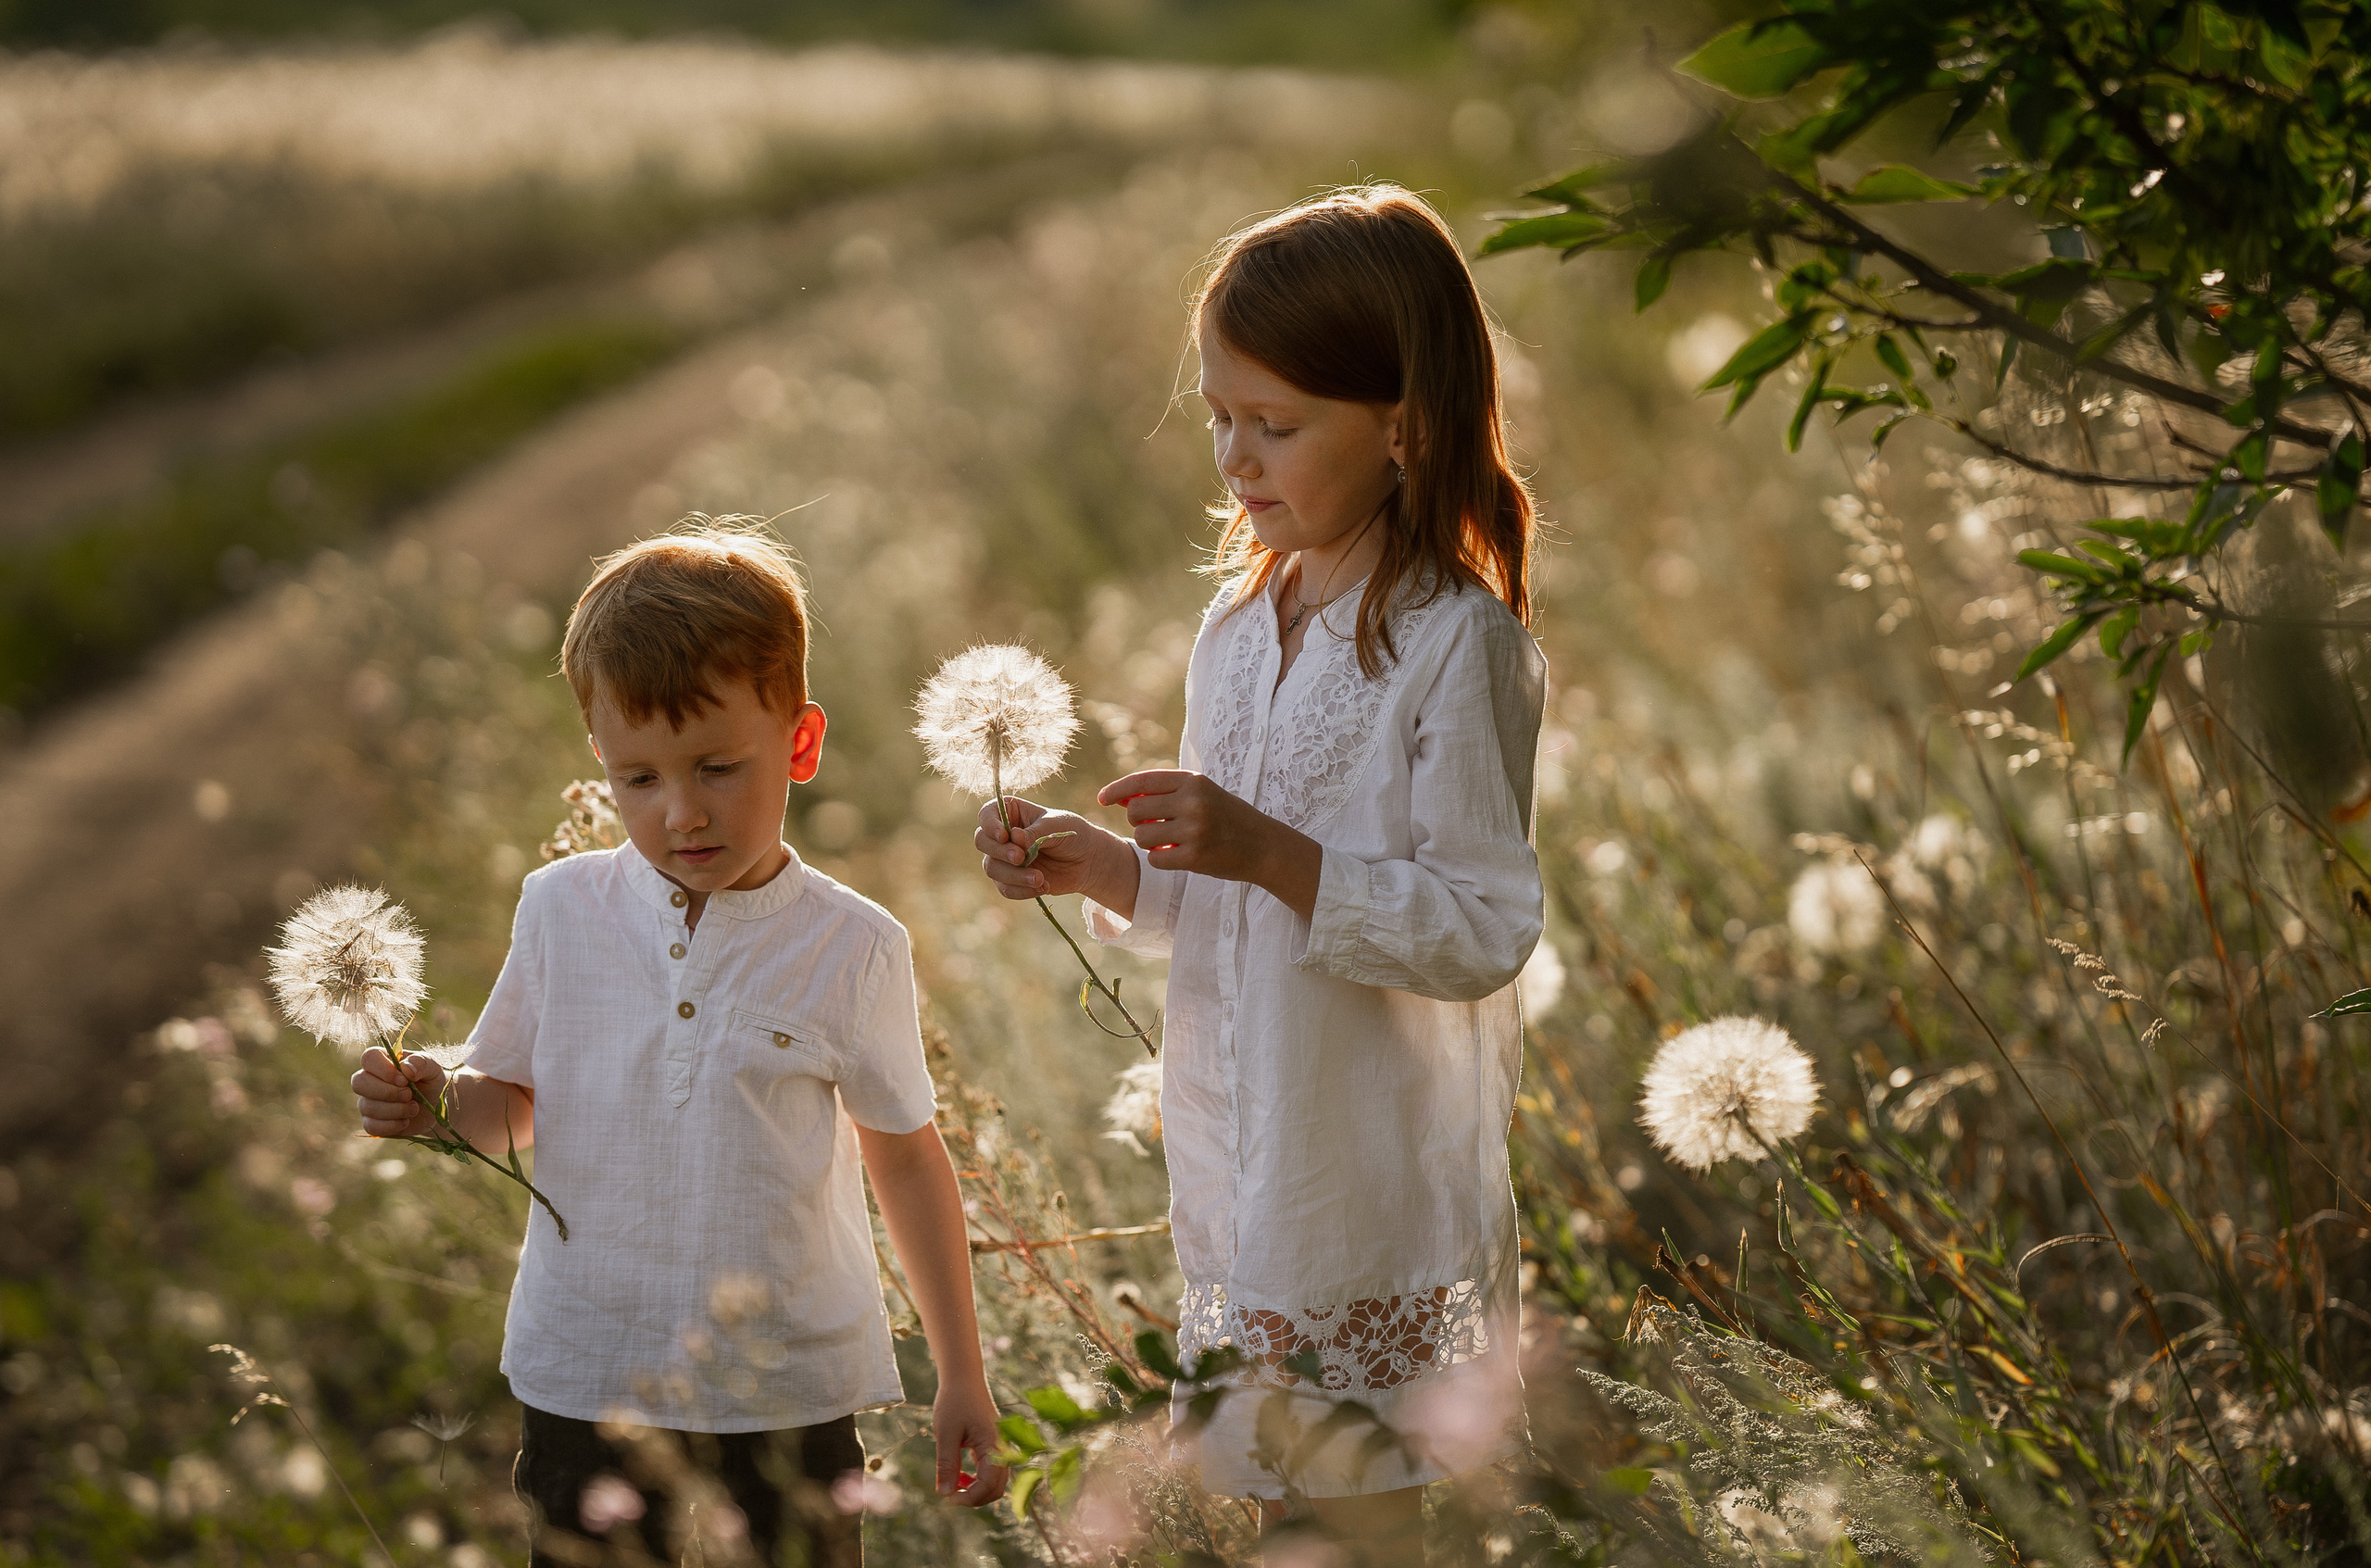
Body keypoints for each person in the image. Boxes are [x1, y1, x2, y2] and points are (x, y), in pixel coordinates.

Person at [974, 184, 1546, 1562]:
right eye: (1221, 414)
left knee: (1365, 1507)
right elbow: (1227, 912)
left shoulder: (1452, 645)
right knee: (1293, 1502)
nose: (1234, 454)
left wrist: (1273, 850)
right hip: (1251, 1150)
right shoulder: (1236, 628)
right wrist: (1109, 867)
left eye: (1275, 425)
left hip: (1364, 1166)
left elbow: (1481, 929)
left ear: (1402, 421)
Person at [352, 525, 1006, 1566]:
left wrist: (960, 1373)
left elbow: (905, 1156)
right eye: (638, 778)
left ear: (799, 743)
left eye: (716, 767)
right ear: (600, 764)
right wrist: (435, 1099)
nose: (681, 812)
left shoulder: (853, 947)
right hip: (590, 1365)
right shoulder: (561, 907)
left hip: (784, 1377)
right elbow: (509, 1098)